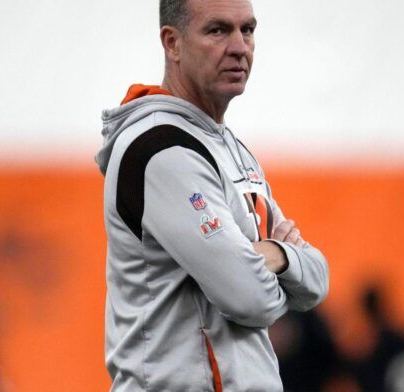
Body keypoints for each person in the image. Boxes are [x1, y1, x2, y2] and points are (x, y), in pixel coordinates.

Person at [95, 0, 329, 391]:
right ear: (172, 43)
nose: (240, 46)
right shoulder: (162, 149)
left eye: (248, 30)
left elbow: (318, 280)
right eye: (218, 30)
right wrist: (275, 265)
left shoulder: (231, 148)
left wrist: (274, 256)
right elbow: (251, 299)